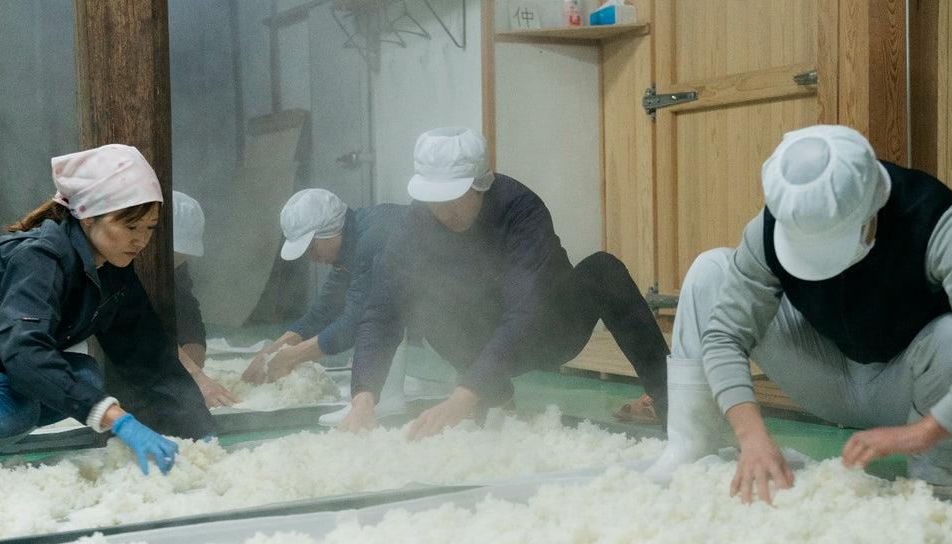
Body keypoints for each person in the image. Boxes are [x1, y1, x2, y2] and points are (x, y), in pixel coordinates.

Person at [649, 124, 952, 503]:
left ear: (873, 207)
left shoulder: (932, 220)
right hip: (823, 373)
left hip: (909, 390)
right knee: (710, 271)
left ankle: (931, 469)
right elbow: (724, 335)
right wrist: (751, 437)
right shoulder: (771, 226)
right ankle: (690, 446)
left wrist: (927, 431)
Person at [0, 143, 214, 475]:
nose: (141, 240)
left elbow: (146, 353)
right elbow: (24, 352)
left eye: (149, 228)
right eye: (130, 227)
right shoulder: (38, 257)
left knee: (85, 376)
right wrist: (117, 419)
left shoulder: (113, 271)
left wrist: (198, 433)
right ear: (89, 216)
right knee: (15, 408)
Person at [340, 126, 669, 440]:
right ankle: (497, 400)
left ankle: (669, 399)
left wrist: (463, 396)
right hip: (480, 342)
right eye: (433, 199)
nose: (442, 210)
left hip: (549, 330)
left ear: (481, 184)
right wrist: (363, 399)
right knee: (428, 299)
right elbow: (382, 312)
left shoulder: (521, 209)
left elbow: (527, 309)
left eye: (453, 197)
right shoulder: (416, 223)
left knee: (604, 269)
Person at [241, 189, 408, 410]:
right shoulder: (348, 248)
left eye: (311, 247)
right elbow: (323, 312)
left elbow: (356, 322)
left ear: (331, 230)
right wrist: (272, 352)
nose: (311, 257)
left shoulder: (372, 239)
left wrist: (292, 357)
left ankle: (386, 399)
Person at [172, 190, 240, 408]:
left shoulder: (176, 263)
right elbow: (139, 323)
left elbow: (186, 309)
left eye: (183, 252)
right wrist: (195, 376)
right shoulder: (125, 259)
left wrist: (195, 364)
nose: (181, 258)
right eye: (176, 251)